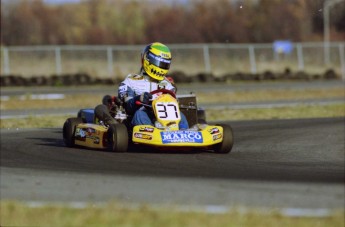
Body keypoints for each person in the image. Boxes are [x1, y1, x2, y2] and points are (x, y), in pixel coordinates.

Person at [117, 42, 189, 129]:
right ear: (147, 59)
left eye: (164, 64)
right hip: (139, 118)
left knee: (180, 115)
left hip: (164, 119)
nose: (161, 67)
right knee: (139, 114)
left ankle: (184, 134)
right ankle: (152, 133)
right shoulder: (131, 81)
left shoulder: (167, 84)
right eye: (159, 63)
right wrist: (139, 99)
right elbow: (127, 107)